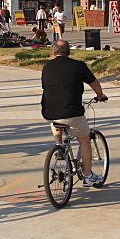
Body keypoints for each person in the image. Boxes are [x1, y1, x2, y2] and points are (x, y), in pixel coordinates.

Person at [40, 40, 107, 187]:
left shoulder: (47, 67)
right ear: (69, 52)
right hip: (72, 112)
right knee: (84, 140)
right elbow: (94, 83)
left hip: (49, 111)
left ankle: (59, 145)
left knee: (55, 120)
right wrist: (100, 94)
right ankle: (88, 176)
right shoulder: (78, 65)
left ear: (53, 52)